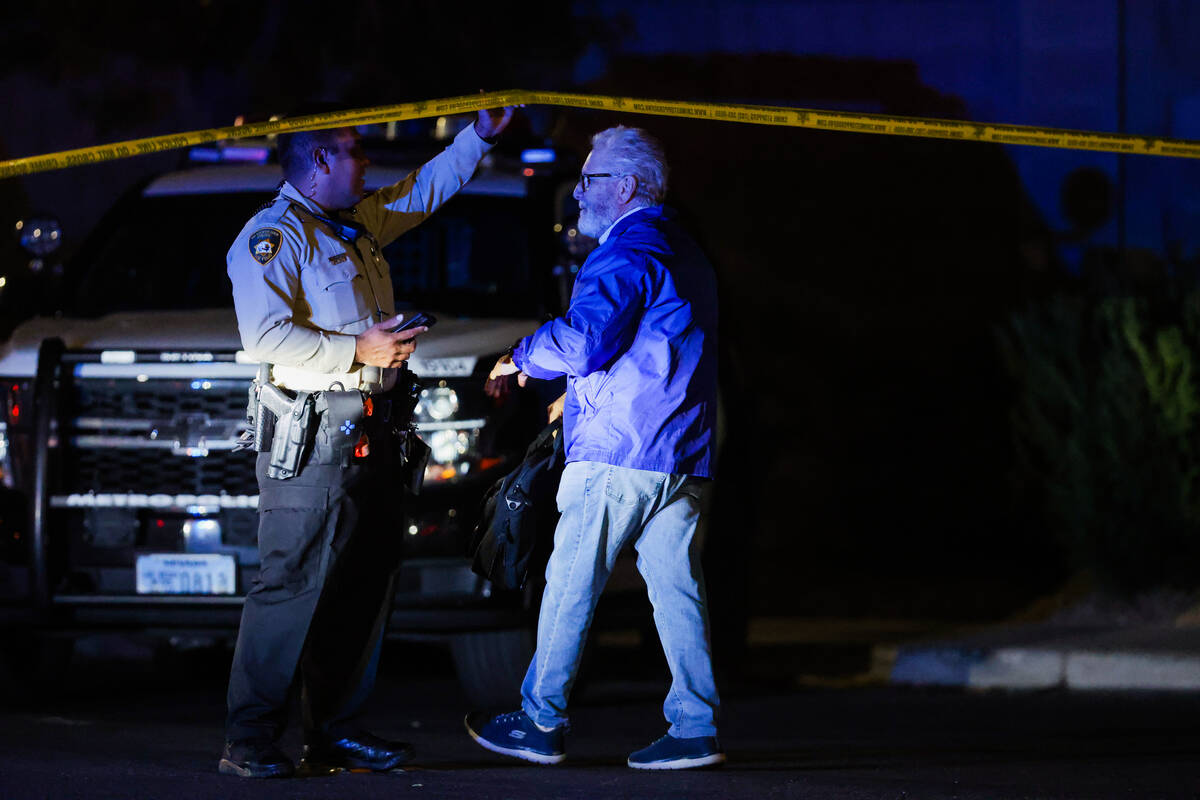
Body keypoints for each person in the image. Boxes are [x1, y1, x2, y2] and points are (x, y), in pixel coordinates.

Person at [221, 105, 514, 778]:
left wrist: (478, 137)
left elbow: (421, 192)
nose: (365, 162)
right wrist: (362, 346)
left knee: (363, 584)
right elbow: (264, 339)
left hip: (372, 430)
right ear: (320, 160)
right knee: (288, 585)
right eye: (353, 152)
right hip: (313, 433)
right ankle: (248, 741)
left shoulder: (351, 226)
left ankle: (335, 733)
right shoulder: (271, 237)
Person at [467, 126, 724, 770]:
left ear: (626, 187)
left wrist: (521, 357)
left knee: (570, 584)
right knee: (677, 589)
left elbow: (583, 343)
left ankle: (538, 720)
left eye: (590, 179)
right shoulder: (684, 250)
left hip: (618, 456)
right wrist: (574, 397)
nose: (578, 192)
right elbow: (655, 352)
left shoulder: (622, 252)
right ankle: (695, 726)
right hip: (681, 452)